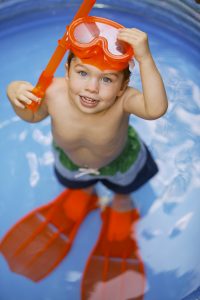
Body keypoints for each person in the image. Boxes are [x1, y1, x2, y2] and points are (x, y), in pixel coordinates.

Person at [7, 26, 168, 297]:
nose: (92, 88)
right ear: (67, 71)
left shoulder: (124, 101)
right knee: (76, 182)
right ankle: (85, 195)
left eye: (107, 80)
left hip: (121, 162)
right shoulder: (53, 91)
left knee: (123, 190)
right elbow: (33, 117)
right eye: (83, 73)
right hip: (71, 162)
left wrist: (145, 59)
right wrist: (15, 94)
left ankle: (121, 206)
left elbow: (155, 109)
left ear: (122, 87)